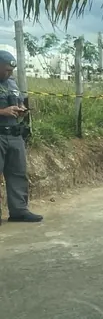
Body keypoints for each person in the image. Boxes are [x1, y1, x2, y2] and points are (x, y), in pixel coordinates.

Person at [0, 51, 42, 224]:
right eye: (6, 70)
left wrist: (20, 110)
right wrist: (3, 112)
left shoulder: (12, 83)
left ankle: (19, 211)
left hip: (15, 134)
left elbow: (19, 103)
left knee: (18, 173)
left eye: (11, 70)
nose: (9, 73)